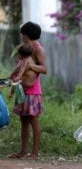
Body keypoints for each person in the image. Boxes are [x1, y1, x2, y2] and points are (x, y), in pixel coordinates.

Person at [8, 22, 47, 160]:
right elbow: (19, 67)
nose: (21, 36)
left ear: (26, 35)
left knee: (33, 120)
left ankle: (35, 153)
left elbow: (44, 69)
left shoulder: (37, 49)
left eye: (22, 34)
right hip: (21, 89)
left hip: (32, 91)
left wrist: (30, 65)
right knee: (23, 120)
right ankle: (23, 151)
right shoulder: (25, 49)